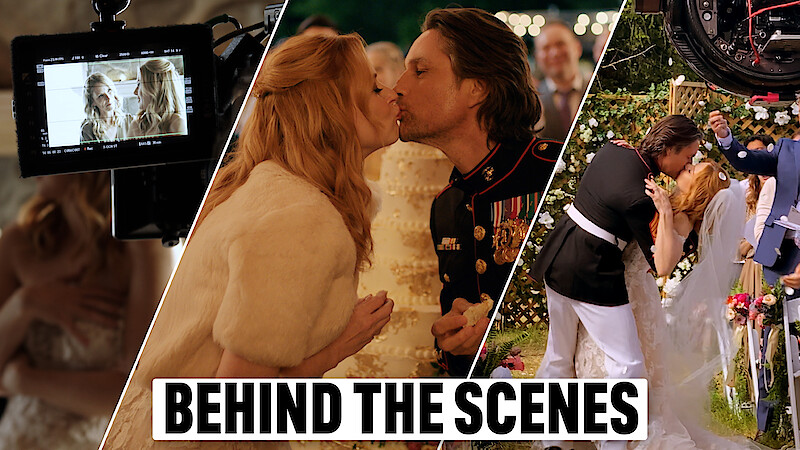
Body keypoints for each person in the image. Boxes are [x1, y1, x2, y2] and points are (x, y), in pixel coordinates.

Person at [104, 33, 397, 448]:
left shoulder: (265, 186)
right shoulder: (304, 218)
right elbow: (231, 413)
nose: (392, 92)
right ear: (333, 110)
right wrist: (336, 349)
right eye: (373, 86)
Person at [394, 7, 561, 377]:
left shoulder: (555, 171)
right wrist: (453, 341)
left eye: (419, 71)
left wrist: (504, 338)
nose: (398, 87)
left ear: (477, 88)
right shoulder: (446, 204)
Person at [532, 115, 700, 450]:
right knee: (628, 362)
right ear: (668, 150)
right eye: (687, 156)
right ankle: (612, 445)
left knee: (558, 354)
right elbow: (663, 265)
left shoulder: (615, 150)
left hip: (557, 253)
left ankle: (552, 440)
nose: (689, 163)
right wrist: (665, 212)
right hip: (588, 269)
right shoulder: (642, 198)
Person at [573, 159, 750, 449]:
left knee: (616, 362)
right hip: (625, 288)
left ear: (699, 190)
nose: (686, 168)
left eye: (692, 171)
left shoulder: (681, 217)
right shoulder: (676, 207)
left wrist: (665, 212)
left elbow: (664, 265)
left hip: (633, 295)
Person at [0, 172, 170, 449]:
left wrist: (25, 380)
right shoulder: (16, 243)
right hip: (15, 440)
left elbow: (136, 394)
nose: (29, 165)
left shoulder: (143, 250)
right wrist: (25, 303)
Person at [709, 110, 800, 295]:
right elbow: (749, 160)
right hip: (783, 256)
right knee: (778, 319)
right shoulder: (787, 149)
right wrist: (726, 138)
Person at [534, 21, 590, 141]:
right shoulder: (532, 100)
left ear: (577, 48)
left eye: (560, 44)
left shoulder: (596, 89)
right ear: (537, 56)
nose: (554, 53)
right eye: (546, 47)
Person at [128, 58, 187, 138]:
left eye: (139, 84)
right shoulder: (135, 126)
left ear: (156, 87)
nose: (135, 92)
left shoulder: (177, 123)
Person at [79, 73, 131, 143]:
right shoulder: (88, 130)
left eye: (109, 90)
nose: (108, 98)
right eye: (101, 95)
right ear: (92, 102)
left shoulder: (129, 121)